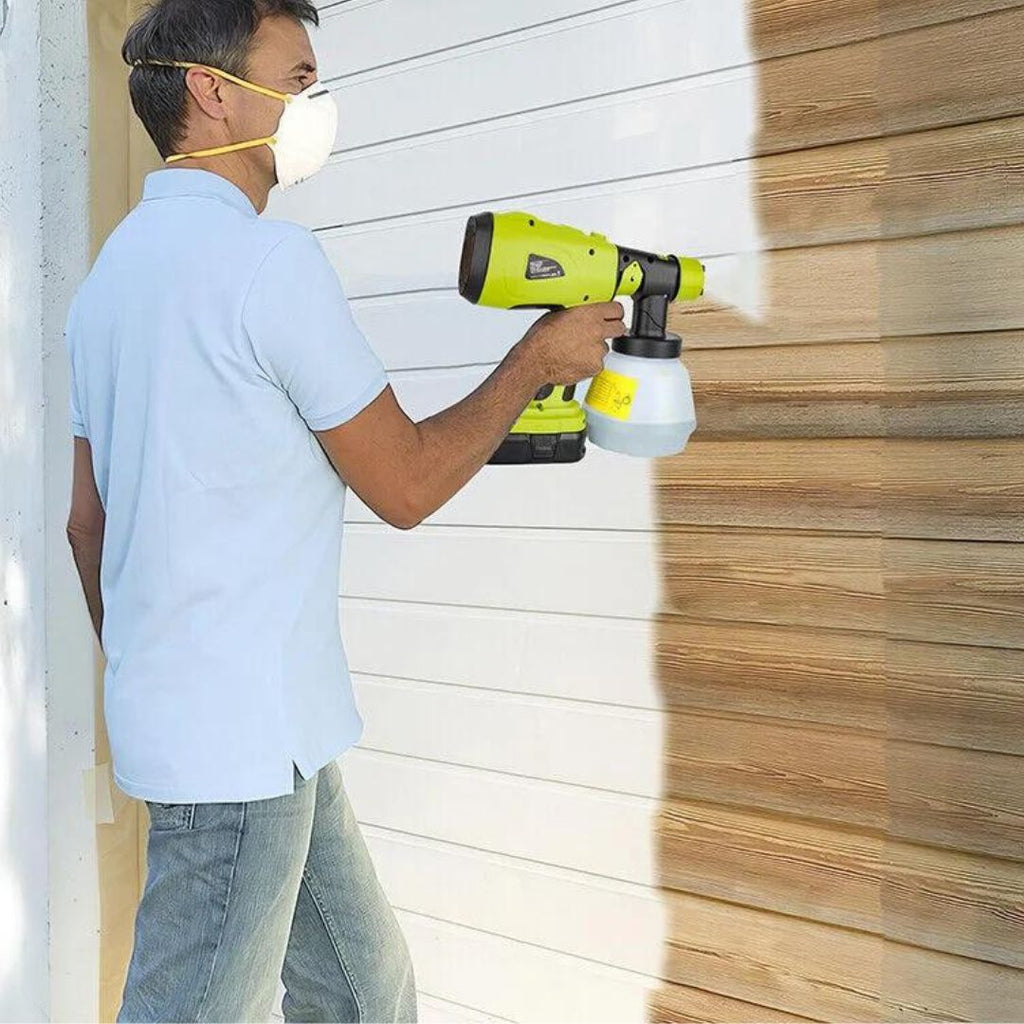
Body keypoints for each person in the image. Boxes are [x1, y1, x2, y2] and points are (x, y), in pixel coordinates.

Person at [63, 0, 623, 1021]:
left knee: (365, 992)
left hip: (258, 731)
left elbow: (85, 525)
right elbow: (404, 484)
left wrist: (164, 677)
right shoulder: (269, 266)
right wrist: (534, 362)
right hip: (239, 745)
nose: (315, 105)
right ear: (212, 91)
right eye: (298, 79)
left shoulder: (109, 281)